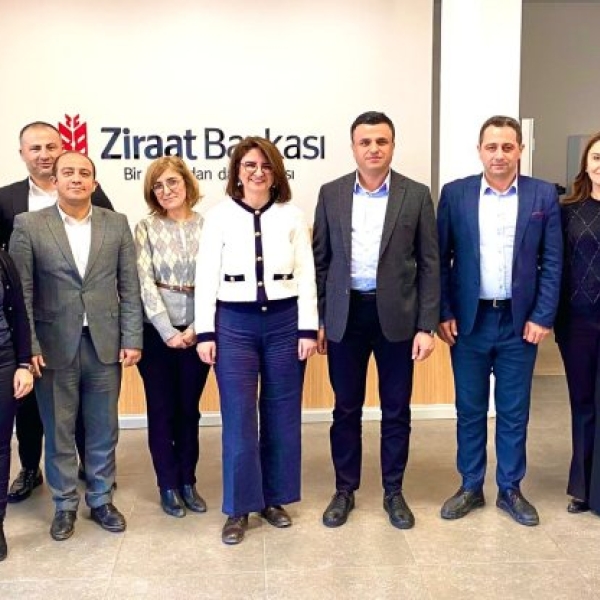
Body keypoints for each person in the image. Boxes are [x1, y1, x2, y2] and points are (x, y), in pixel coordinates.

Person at [312, 111, 440, 530]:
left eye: (381, 141)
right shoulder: (331, 193)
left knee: (396, 409)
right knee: (345, 408)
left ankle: (393, 491)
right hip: (345, 317)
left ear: (392, 145)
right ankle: (344, 490)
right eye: (365, 142)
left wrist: (426, 325)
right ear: (353, 147)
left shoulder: (415, 195)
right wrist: (320, 319)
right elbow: (320, 261)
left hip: (398, 318)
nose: (373, 149)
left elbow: (430, 263)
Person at [9, 151, 142, 541]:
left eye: (85, 173)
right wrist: (28, 347)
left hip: (104, 344)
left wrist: (132, 337)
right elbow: (21, 293)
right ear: (55, 181)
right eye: (68, 172)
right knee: (59, 431)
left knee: (104, 429)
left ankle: (100, 499)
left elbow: (129, 286)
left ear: (94, 183)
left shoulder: (116, 223)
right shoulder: (29, 225)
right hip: (51, 347)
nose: (77, 178)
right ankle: (65, 504)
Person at [437, 115, 563, 527]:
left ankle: (510, 488)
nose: (499, 155)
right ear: (479, 151)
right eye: (491, 147)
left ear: (520, 150)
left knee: (513, 411)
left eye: (508, 147)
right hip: (469, 322)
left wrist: (542, 315)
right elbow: (439, 259)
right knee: (470, 409)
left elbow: (552, 261)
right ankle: (470, 486)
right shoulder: (455, 194)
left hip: (518, 323)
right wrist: (444, 312)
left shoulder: (542, 195)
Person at [196, 136, 318, 545]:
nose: (258, 172)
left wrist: (307, 328)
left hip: (285, 323)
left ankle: (274, 500)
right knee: (239, 417)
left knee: (283, 413)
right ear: (237, 172)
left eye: (266, 166)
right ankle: (239, 507)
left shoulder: (292, 215)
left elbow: (307, 275)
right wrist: (206, 332)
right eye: (249, 165)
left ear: (276, 172)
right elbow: (205, 277)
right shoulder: (218, 217)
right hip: (234, 325)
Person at [0, 121, 113, 504]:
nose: (44, 154)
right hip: (33, 322)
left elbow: (107, 249)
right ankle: (31, 469)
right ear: (22, 154)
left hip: (86, 326)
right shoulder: (8, 200)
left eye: (51, 147)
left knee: (84, 411)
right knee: (31, 408)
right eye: (36, 148)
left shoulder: (90, 192)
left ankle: (89, 472)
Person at [135, 156, 210, 518]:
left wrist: (195, 328)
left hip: (199, 332)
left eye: (172, 182)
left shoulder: (208, 226)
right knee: (162, 410)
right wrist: (167, 331)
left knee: (188, 410)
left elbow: (215, 279)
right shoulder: (145, 228)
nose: (166, 191)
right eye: (158, 186)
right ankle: (167, 484)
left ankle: (188, 481)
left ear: (187, 184)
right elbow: (143, 282)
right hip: (156, 335)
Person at [555, 132, 600, 515]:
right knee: (583, 403)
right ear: (586, 163)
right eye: (597, 157)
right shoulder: (567, 210)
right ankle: (584, 488)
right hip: (578, 322)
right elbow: (556, 266)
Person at [0, 250, 34, 560]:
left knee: (0, 446)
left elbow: (19, 312)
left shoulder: (3, 260)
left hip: (4, 361)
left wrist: (23, 363)